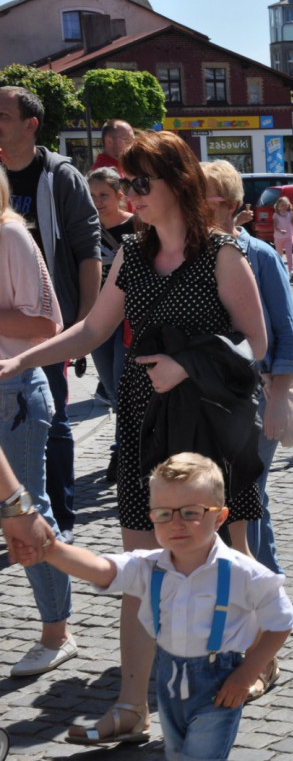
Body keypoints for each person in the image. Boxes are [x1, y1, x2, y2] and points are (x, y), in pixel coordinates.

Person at [0, 130, 267, 744]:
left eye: (141, 183)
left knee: (227, 556)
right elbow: (92, 329)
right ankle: (130, 707)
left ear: (179, 182)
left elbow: (257, 344)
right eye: (125, 183)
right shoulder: (132, 253)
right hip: (145, 421)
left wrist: (188, 365)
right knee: (144, 569)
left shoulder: (223, 254)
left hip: (210, 424)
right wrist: (23, 360)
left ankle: (254, 659)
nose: (130, 195)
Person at [26, 452, 293, 760]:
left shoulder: (244, 572)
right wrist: (51, 549)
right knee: (176, 753)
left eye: (191, 512)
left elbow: (282, 621)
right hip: (168, 681)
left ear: (220, 517)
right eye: (164, 513)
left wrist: (247, 673)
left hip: (220, 684)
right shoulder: (149, 566)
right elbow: (101, 569)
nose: (176, 523)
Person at [0, 85, 102, 545]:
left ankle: (59, 519)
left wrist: (85, 323)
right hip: (6, 323)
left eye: (3, 116)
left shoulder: (59, 175)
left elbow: (88, 250)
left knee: (54, 420)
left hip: (46, 325)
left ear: (30, 125)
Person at [201, 160, 293, 587]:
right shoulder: (193, 255)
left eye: (202, 196)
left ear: (227, 203)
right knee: (246, 497)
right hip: (212, 399)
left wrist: (278, 401)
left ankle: (255, 590)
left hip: (259, 396)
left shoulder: (259, 255)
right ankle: (267, 582)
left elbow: (287, 334)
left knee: (246, 494)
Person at [0, 167, 78, 678]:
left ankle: (58, 632)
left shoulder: (9, 233)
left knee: (26, 511)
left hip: (15, 394)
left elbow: (47, 325)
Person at [87, 167, 134, 481]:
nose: (97, 202)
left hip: (129, 320)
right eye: (92, 196)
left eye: (103, 195)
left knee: (122, 385)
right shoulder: (86, 228)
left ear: (119, 195)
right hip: (99, 319)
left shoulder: (138, 225)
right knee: (112, 390)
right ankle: (126, 446)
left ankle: (123, 451)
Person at [272, 195, 293, 281]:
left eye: (286, 205)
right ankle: (278, 270)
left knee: (289, 254)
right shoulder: (276, 215)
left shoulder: (290, 214)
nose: (284, 207)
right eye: (282, 205)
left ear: (288, 205)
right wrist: (280, 230)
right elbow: (275, 226)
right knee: (279, 255)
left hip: (288, 237)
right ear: (278, 206)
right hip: (279, 238)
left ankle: (291, 271)